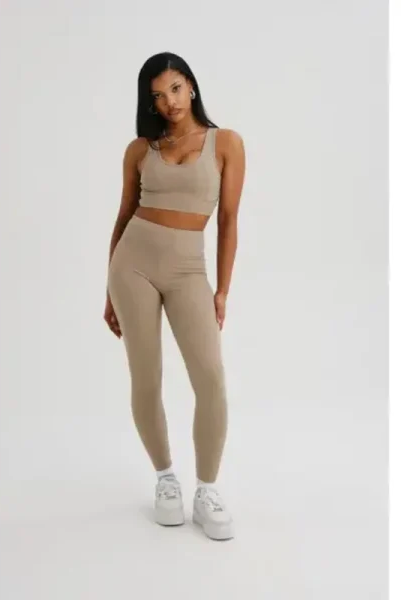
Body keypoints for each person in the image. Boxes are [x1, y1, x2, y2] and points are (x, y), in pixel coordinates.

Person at [104, 51, 245, 541]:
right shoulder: (140, 149)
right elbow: (124, 215)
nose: (170, 102)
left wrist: (222, 290)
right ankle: (166, 478)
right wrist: (108, 289)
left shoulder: (226, 143)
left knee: (211, 378)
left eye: (176, 88)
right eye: (158, 96)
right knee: (146, 378)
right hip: (132, 267)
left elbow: (228, 220)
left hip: (190, 271)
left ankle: (207, 490)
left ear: (192, 85)